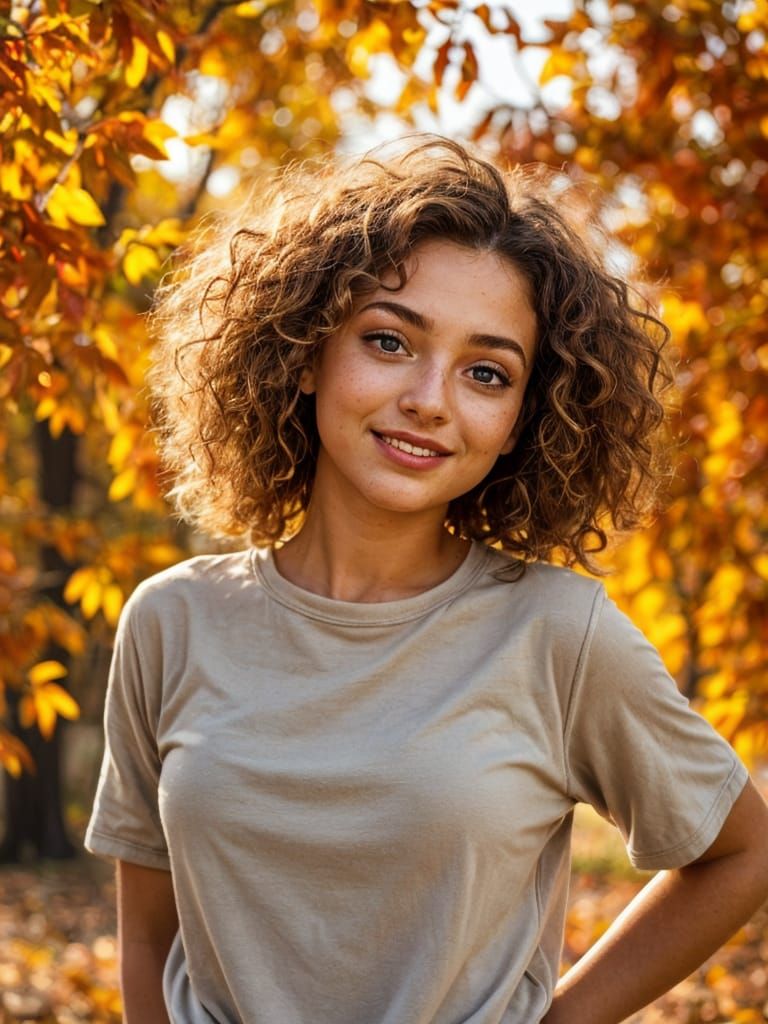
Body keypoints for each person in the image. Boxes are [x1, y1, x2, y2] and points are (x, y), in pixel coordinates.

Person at [85, 135, 768, 1024]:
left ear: (520, 421)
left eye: (487, 372)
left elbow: (741, 852)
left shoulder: (558, 633)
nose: (431, 400)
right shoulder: (171, 621)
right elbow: (147, 936)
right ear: (303, 351)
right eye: (389, 341)